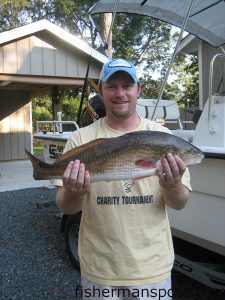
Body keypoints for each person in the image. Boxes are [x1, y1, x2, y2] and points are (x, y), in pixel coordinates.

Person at [55, 58, 191, 300]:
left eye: (127, 86)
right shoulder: (80, 139)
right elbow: (66, 206)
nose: (120, 93)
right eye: (112, 86)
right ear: (101, 91)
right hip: (99, 270)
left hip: (152, 269)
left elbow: (179, 203)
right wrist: (75, 192)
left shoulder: (164, 137)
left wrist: (172, 185)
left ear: (138, 89)